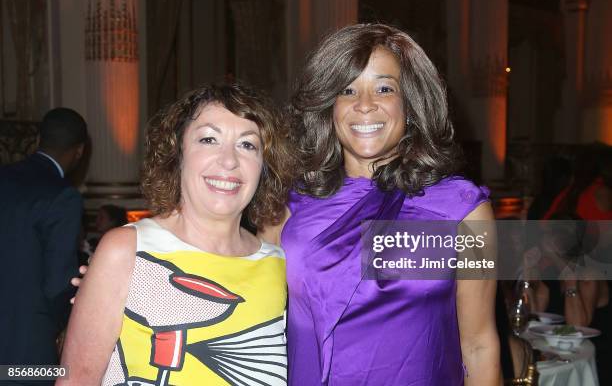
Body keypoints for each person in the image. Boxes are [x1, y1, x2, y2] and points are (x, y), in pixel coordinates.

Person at [261, 23, 501, 385]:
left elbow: (479, 345)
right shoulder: (287, 209)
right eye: (347, 90)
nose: (364, 105)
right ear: (329, 105)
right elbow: (256, 328)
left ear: (411, 102)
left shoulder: (465, 211)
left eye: (384, 88)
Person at [59, 84, 293, 385]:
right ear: (177, 153)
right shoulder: (128, 250)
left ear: (264, 166)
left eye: (248, 145)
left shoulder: (277, 263)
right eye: (209, 139)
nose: (229, 161)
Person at [0, 108, 87, 378]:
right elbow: (58, 283)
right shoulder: (62, 197)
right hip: (25, 351)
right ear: (79, 151)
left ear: (38, 138)